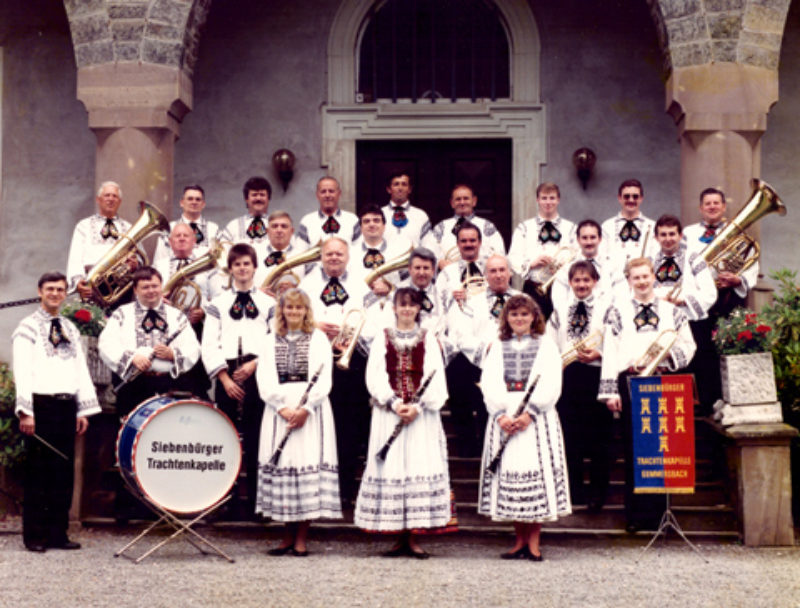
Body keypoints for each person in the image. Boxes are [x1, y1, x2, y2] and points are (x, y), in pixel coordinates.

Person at [599, 257, 696, 532]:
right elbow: (610, 352)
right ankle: (635, 517)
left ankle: (660, 516)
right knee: (634, 450)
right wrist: (610, 392)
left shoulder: (672, 311)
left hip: (662, 381)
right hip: (631, 382)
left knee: (663, 449)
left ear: (654, 276)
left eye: (645, 276)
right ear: (628, 280)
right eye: (636, 277)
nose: (641, 281)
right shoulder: (616, 311)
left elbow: (689, 346)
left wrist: (665, 360)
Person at [355, 288, 451, 558]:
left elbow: (436, 375)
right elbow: (374, 375)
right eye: (402, 305)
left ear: (418, 308)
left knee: (416, 467)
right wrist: (395, 403)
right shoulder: (381, 338)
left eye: (412, 305)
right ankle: (398, 535)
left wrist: (418, 406)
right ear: (394, 308)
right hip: (389, 414)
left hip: (421, 417)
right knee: (393, 469)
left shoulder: (429, 338)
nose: (407, 309)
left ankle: (414, 536)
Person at [478, 294, 570, 560]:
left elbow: (553, 381)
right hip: (505, 415)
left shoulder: (547, 345)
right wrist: (499, 414)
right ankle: (518, 540)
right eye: (514, 314)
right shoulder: (497, 345)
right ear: (506, 318)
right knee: (510, 472)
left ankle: (534, 542)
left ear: (534, 317)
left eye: (524, 314)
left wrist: (531, 413)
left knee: (536, 473)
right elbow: (490, 381)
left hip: (535, 419)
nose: (519, 319)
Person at [13, 272, 101, 552]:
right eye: (50, 289)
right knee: (39, 473)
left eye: (60, 289)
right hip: (40, 406)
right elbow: (23, 370)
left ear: (66, 294)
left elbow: (80, 369)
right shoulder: (26, 328)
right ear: (39, 291)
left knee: (63, 474)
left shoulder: (70, 328)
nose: (55, 294)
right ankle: (35, 536)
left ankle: (57, 534)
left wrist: (82, 409)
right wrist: (26, 411)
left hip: (66, 406)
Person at [255, 288, 341, 556]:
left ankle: (302, 536)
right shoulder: (270, 339)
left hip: (310, 411)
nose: (293, 312)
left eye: (298, 308)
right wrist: (281, 407)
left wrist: (305, 409)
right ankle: (286, 534)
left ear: (306, 311)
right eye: (288, 308)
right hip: (279, 409)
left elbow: (325, 378)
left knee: (305, 465)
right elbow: (264, 377)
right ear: (281, 311)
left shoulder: (318, 339)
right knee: (284, 465)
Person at [202, 244, 276, 518]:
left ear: (255, 267)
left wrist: (255, 365)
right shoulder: (216, 304)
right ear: (230, 269)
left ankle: (259, 504)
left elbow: (274, 340)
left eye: (247, 264)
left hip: (259, 371)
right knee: (227, 437)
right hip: (228, 375)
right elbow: (209, 344)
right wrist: (224, 378)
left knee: (258, 437)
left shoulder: (269, 303)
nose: (243, 269)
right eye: (237, 265)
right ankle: (227, 502)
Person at [298, 237, 371, 505]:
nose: (334, 258)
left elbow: (372, 320)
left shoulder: (360, 285)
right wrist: (314, 325)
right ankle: (315, 490)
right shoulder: (307, 285)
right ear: (321, 256)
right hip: (316, 361)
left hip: (350, 364)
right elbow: (294, 316)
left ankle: (345, 490)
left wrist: (351, 337)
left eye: (339, 254)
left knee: (349, 428)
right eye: (329, 254)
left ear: (348, 256)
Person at [546, 260, 612, 511]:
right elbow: (550, 343)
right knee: (570, 437)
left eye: (586, 280)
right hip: (569, 376)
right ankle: (574, 491)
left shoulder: (607, 309)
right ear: (570, 283)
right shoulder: (560, 310)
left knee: (599, 438)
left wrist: (600, 353)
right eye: (577, 280)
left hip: (597, 374)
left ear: (595, 282)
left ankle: (598, 493)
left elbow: (616, 340)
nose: (582, 285)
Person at [435, 222, 489, 456]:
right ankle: (467, 448)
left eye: (472, 240)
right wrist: (452, 296)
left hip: (485, 344)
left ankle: (487, 444)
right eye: (464, 241)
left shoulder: (490, 267)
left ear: (479, 242)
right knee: (459, 399)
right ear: (458, 245)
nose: (468, 244)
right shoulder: (447, 273)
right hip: (457, 345)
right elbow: (438, 306)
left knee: (485, 398)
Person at [683, 187, 759, 319]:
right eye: (708, 203)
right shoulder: (687, 233)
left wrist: (738, 280)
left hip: (727, 296)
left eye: (716, 203)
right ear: (701, 208)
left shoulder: (737, 234)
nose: (712, 207)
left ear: (723, 207)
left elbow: (752, 263)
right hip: (696, 295)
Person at [508, 182, 576, 317]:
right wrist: (532, 263)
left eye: (552, 198)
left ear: (558, 200)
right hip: (533, 287)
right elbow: (513, 257)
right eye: (544, 198)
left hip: (563, 286)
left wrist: (562, 267)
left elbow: (577, 256)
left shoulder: (571, 228)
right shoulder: (524, 228)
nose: (548, 202)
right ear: (537, 200)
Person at [66, 181, 132, 299]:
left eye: (115, 196)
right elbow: (75, 257)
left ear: (120, 202)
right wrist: (78, 281)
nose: (111, 199)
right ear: (98, 199)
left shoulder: (129, 227)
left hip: (121, 287)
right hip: (92, 285)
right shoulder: (84, 225)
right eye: (107, 195)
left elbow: (140, 258)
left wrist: (136, 264)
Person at [423, 184, 505, 269]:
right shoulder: (441, 227)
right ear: (452, 203)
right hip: (449, 276)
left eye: (466, 198)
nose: (462, 202)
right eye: (458, 199)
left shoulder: (487, 226)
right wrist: (439, 262)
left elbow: (500, 254)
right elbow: (428, 252)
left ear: (474, 201)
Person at [551, 219, 624, 311]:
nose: (589, 242)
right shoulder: (567, 267)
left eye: (593, 237)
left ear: (600, 239)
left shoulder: (613, 266)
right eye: (584, 238)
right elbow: (558, 299)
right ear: (578, 239)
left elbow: (622, 298)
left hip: (606, 321)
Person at [152, 185, 220, 268]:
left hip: (206, 276)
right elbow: (159, 260)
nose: (194, 202)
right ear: (182, 203)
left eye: (198, 199)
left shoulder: (214, 229)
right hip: (174, 276)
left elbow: (219, 259)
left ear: (203, 204)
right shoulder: (169, 228)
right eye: (190, 199)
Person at [600, 179, 657, 265]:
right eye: (626, 196)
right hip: (613, 277)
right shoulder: (607, 226)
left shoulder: (652, 226)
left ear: (641, 198)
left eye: (635, 196)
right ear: (619, 198)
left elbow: (655, 256)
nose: (631, 200)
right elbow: (602, 256)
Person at [221, 176, 273, 266]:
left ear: (268, 198)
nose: (258, 198)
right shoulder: (233, 226)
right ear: (246, 199)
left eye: (262, 194)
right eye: (254, 195)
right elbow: (223, 257)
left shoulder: (278, 225)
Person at [296, 176, 360, 247]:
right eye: (323, 192)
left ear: (339, 194)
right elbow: (300, 251)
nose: (327, 195)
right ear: (317, 195)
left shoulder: (352, 220)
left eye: (331, 191)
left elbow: (358, 250)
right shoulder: (307, 222)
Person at [260, 211, 307, 293]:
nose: (279, 230)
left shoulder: (304, 258)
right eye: (274, 226)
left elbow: (313, 287)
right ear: (267, 231)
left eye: (284, 226)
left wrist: (296, 289)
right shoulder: (255, 256)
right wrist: (259, 292)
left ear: (292, 231)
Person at [380, 172, 432, 246]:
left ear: (409, 189)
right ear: (389, 189)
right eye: (396, 184)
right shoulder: (379, 214)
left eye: (404, 184)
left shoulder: (421, 215)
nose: (400, 188)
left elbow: (428, 244)